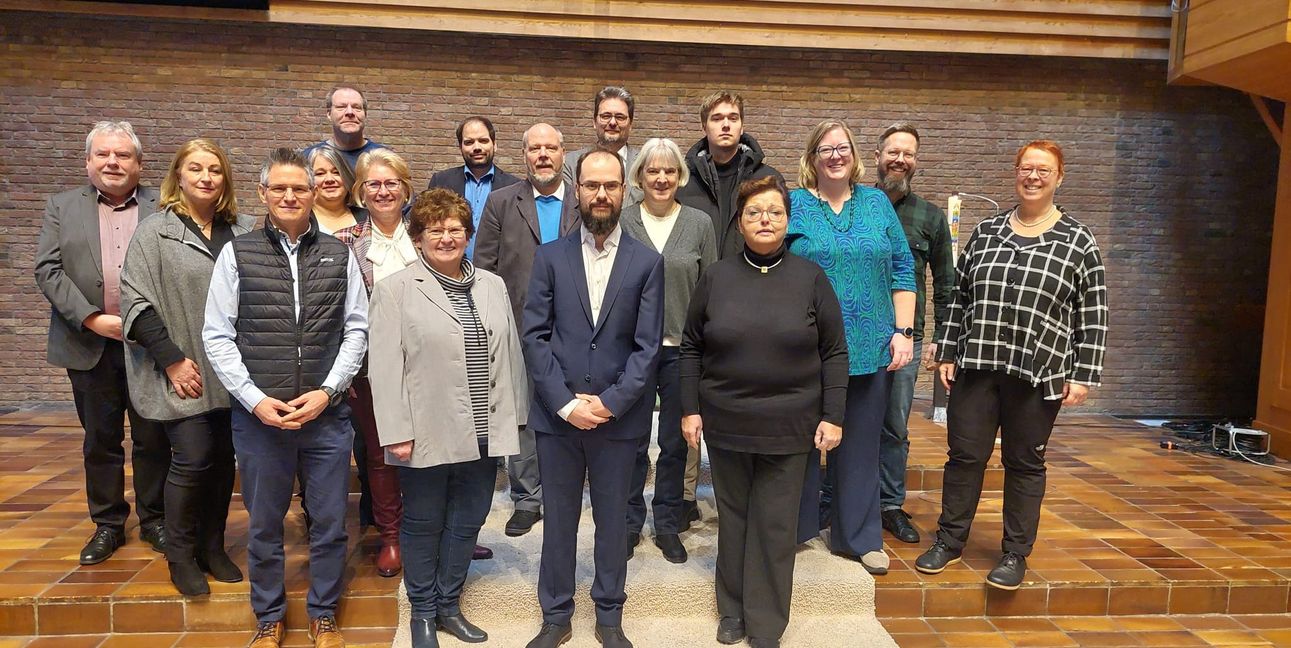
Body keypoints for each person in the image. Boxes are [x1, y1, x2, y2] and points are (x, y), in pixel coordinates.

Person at [916, 140, 1107, 591]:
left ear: (1060, 177)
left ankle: (1015, 553)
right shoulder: (987, 232)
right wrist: (946, 349)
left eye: (1044, 169)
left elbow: (1093, 312)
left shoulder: (1078, 240)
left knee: (1024, 462)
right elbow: (959, 297)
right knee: (964, 457)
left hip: (1039, 371)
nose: (1033, 176)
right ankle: (949, 540)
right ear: (1015, 173)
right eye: (1026, 168)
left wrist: (1083, 374)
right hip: (977, 365)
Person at [203, 147, 368, 648]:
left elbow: (356, 329)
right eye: (280, 188)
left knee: (331, 523)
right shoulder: (237, 252)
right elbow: (217, 335)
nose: (291, 196)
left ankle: (323, 615)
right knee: (265, 525)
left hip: (326, 416)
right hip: (261, 419)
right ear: (263, 194)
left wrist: (327, 392)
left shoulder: (339, 254)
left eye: (300, 187)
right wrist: (255, 401)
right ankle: (269, 617)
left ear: (314, 192)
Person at [680, 175, 847, 648]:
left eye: (774, 211)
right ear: (740, 221)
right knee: (733, 518)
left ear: (788, 220)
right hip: (728, 422)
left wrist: (833, 415)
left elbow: (835, 351)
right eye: (754, 212)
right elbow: (691, 347)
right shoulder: (717, 277)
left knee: (775, 525)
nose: (764, 219)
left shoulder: (810, 278)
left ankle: (767, 620)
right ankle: (731, 610)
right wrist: (690, 408)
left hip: (791, 425)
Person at [369, 189, 528, 648]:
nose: (446, 237)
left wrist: (514, 416)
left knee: (468, 518)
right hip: (426, 432)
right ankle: (421, 612)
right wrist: (396, 433)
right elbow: (384, 367)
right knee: (423, 522)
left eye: (455, 229)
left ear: (468, 234)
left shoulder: (492, 286)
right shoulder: (395, 289)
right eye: (434, 230)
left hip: (485, 428)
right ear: (417, 238)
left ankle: (448, 605)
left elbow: (510, 356)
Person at [521, 148, 663, 648]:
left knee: (613, 522)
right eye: (591, 185)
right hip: (557, 418)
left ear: (625, 191)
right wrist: (566, 404)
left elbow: (648, 347)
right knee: (558, 521)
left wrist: (608, 403)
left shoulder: (648, 262)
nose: (600, 194)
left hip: (618, 420)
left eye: (610, 185)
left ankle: (608, 615)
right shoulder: (550, 257)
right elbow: (533, 337)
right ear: (576, 189)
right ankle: (556, 616)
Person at [119, 138, 254, 596]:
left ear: (225, 179)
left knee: (223, 462)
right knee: (194, 458)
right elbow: (135, 303)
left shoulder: (243, 231)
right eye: (195, 168)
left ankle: (212, 548)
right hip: (184, 367)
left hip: (232, 373)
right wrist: (173, 361)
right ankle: (180, 555)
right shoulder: (154, 232)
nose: (205, 177)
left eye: (215, 170)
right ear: (178, 175)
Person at [34, 121, 169, 565]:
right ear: (88, 161)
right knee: (101, 439)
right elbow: (48, 270)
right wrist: (93, 319)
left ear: (139, 163)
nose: (113, 162)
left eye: (123, 155)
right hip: (88, 343)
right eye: (103, 155)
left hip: (149, 344)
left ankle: (155, 520)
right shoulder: (62, 206)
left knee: (153, 437)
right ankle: (108, 524)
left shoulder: (163, 205)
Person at [787, 120, 916, 577]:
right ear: (812, 156)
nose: (835, 156)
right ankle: (796, 530)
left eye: (842, 148)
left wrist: (904, 331)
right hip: (804, 348)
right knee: (800, 442)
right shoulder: (794, 204)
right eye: (826, 149)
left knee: (860, 443)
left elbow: (903, 268)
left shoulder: (877, 203)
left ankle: (859, 537)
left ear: (855, 154)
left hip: (868, 347)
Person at [474, 123, 580, 538]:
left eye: (550, 148)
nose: (542, 155)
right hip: (517, 325)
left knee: (567, 409)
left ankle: (562, 495)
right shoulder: (503, 202)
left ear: (562, 152)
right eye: (534, 148)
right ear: (523, 154)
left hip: (574, 328)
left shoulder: (581, 200)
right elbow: (484, 266)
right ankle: (527, 498)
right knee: (520, 414)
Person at [618, 137, 716, 564]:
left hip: (683, 351)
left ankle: (668, 521)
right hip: (630, 351)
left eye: (670, 171)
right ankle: (626, 521)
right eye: (652, 171)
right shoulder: (621, 222)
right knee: (632, 440)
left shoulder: (699, 223)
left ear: (680, 177)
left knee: (677, 442)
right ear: (639, 177)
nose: (661, 178)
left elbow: (712, 288)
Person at [332, 148, 418, 578]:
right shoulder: (345, 244)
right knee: (383, 455)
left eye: (391, 183)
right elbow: (337, 313)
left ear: (406, 188)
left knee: (437, 452)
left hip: (428, 367)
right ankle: (391, 538)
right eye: (374, 184)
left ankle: (441, 530)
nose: (383, 191)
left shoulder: (427, 235)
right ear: (361, 193)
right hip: (371, 369)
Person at [873, 123, 955, 545]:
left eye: (908, 153)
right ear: (877, 157)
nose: (900, 159)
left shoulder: (930, 217)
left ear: (916, 162)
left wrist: (944, 338)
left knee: (894, 426)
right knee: (842, 419)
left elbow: (946, 282)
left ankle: (889, 503)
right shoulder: (859, 205)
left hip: (907, 338)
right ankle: (835, 497)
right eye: (893, 152)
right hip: (855, 336)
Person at [676, 91, 783, 259]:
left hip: (750, 280)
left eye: (733, 118)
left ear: (742, 127)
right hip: (698, 282)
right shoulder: (683, 181)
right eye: (717, 118)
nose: (726, 125)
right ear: (704, 126)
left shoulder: (768, 180)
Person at [428, 116, 522, 260]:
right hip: (447, 270)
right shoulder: (441, 181)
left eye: (483, 141)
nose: (477, 147)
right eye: (469, 142)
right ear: (460, 147)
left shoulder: (514, 187)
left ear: (494, 144)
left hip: (495, 274)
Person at [562, 86, 643, 206]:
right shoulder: (570, 164)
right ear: (594, 122)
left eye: (620, 117)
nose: (612, 123)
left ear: (630, 124)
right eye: (606, 116)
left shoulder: (645, 164)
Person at [303, 85, 388, 171]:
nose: (350, 112)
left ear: (365, 114)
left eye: (356, 107)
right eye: (341, 107)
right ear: (329, 114)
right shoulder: (308, 158)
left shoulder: (384, 156)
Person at [308, 144, 367, 235]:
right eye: (320, 174)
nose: (329, 179)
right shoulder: (301, 221)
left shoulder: (368, 217)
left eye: (336, 172)